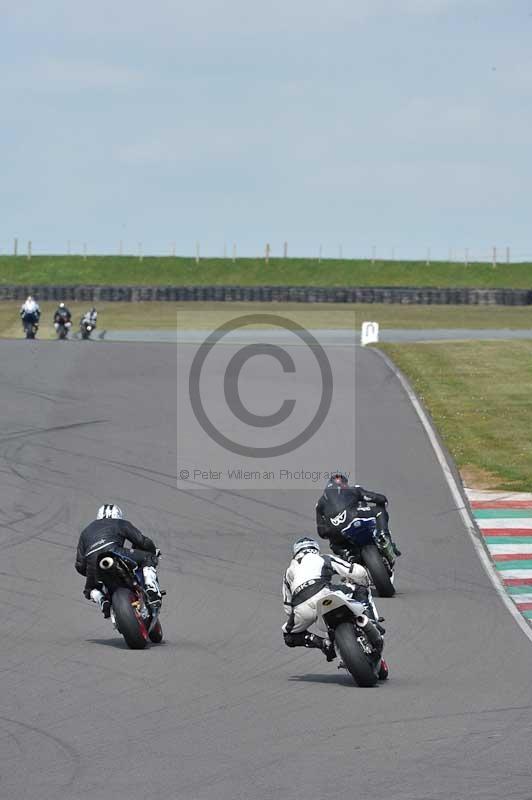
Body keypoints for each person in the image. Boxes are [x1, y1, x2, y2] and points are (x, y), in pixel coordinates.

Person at [282, 537, 382, 664]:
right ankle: (371, 621)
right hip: (325, 592)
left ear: (295, 553)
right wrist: (365, 581)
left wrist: (299, 615)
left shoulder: (288, 573)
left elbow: (287, 607)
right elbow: (355, 572)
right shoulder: (323, 558)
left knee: (289, 636)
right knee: (361, 589)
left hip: (301, 607)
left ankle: (323, 643)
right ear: (315, 549)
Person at [75, 503, 162, 617]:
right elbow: (142, 541)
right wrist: (153, 551)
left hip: (93, 563)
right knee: (148, 558)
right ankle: (151, 588)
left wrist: (92, 572)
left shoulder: (85, 532)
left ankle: (101, 599)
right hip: (114, 552)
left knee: (90, 589)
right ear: (118, 515)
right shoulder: (119, 523)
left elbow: (80, 565)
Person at [316, 473, 401, 559]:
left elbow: (321, 532)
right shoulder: (353, 489)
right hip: (353, 516)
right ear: (344, 484)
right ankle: (383, 536)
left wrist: (332, 530)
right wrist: (383, 502)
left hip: (336, 530)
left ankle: (347, 553)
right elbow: (378, 498)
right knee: (379, 511)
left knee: (333, 543)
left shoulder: (319, 504)